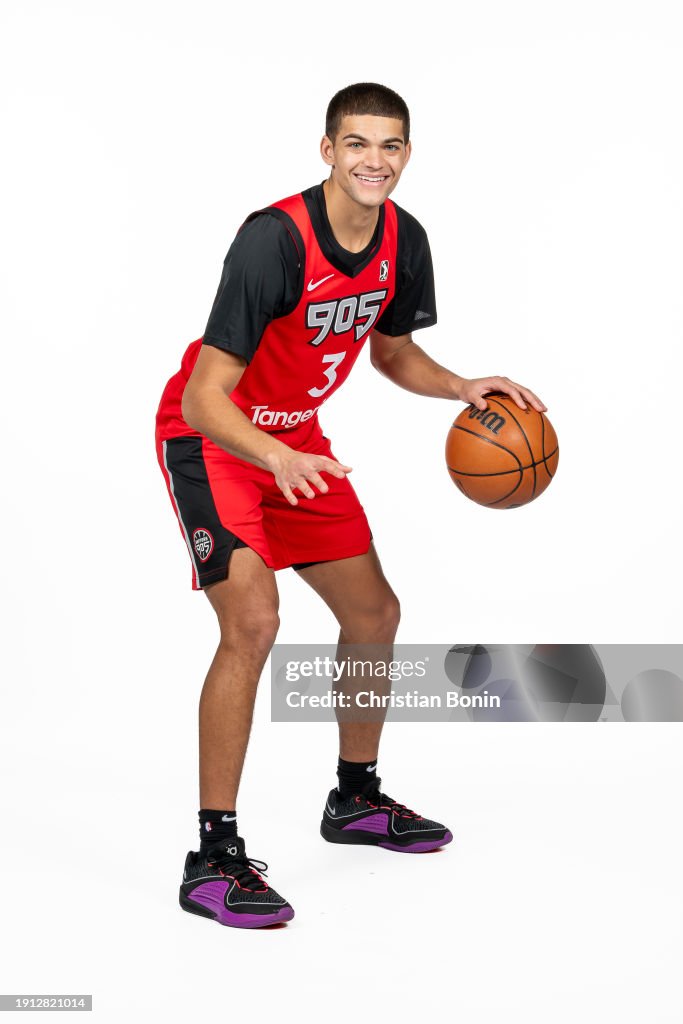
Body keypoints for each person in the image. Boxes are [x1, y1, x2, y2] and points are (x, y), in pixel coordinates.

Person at [154, 82, 546, 929]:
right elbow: (202, 397)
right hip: (217, 440)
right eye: (357, 143)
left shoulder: (404, 238)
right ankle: (212, 857)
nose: (375, 160)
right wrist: (272, 453)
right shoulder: (274, 241)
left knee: (373, 612)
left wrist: (458, 386)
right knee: (253, 622)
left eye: (391, 145)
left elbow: (392, 353)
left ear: (407, 154)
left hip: (294, 440)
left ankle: (355, 800)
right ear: (326, 150)